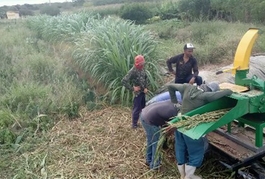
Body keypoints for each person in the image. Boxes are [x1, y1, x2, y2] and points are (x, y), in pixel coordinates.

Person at [167, 82, 233, 179]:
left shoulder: (187, 87)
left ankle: (182, 175)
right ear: (209, 90)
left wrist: (175, 102)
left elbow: (170, 86)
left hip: (179, 123)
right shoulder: (205, 96)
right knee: (196, 151)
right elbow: (220, 95)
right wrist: (229, 91)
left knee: (180, 148)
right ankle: (189, 176)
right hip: (190, 128)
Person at [140, 100, 180, 170]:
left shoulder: (175, 103)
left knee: (151, 141)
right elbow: (170, 127)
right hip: (150, 120)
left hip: (143, 115)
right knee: (157, 143)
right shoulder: (174, 113)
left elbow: (165, 124)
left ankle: (149, 160)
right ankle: (155, 166)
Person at [122, 55, 148, 129]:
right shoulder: (133, 70)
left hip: (143, 92)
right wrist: (133, 88)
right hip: (138, 93)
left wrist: (146, 87)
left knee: (143, 107)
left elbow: (145, 78)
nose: (142, 65)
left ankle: (143, 122)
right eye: (141, 64)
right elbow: (124, 81)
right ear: (137, 64)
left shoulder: (142, 69)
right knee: (136, 109)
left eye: (143, 63)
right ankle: (134, 125)